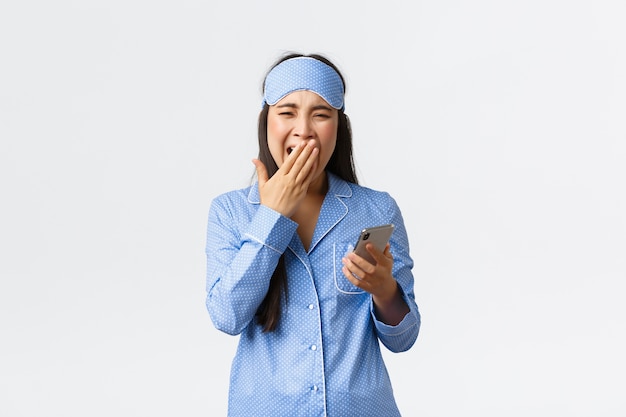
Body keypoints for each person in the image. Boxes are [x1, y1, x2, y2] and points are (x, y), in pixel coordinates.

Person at [205, 52, 421, 416]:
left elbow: (404, 339)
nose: (303, 128)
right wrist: (272, 215)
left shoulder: (375, 211)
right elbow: (227, 316)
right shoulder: (231, 211)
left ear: (339, 126)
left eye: (320, 114)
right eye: (287, 112)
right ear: (266, 122)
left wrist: (386, 291)